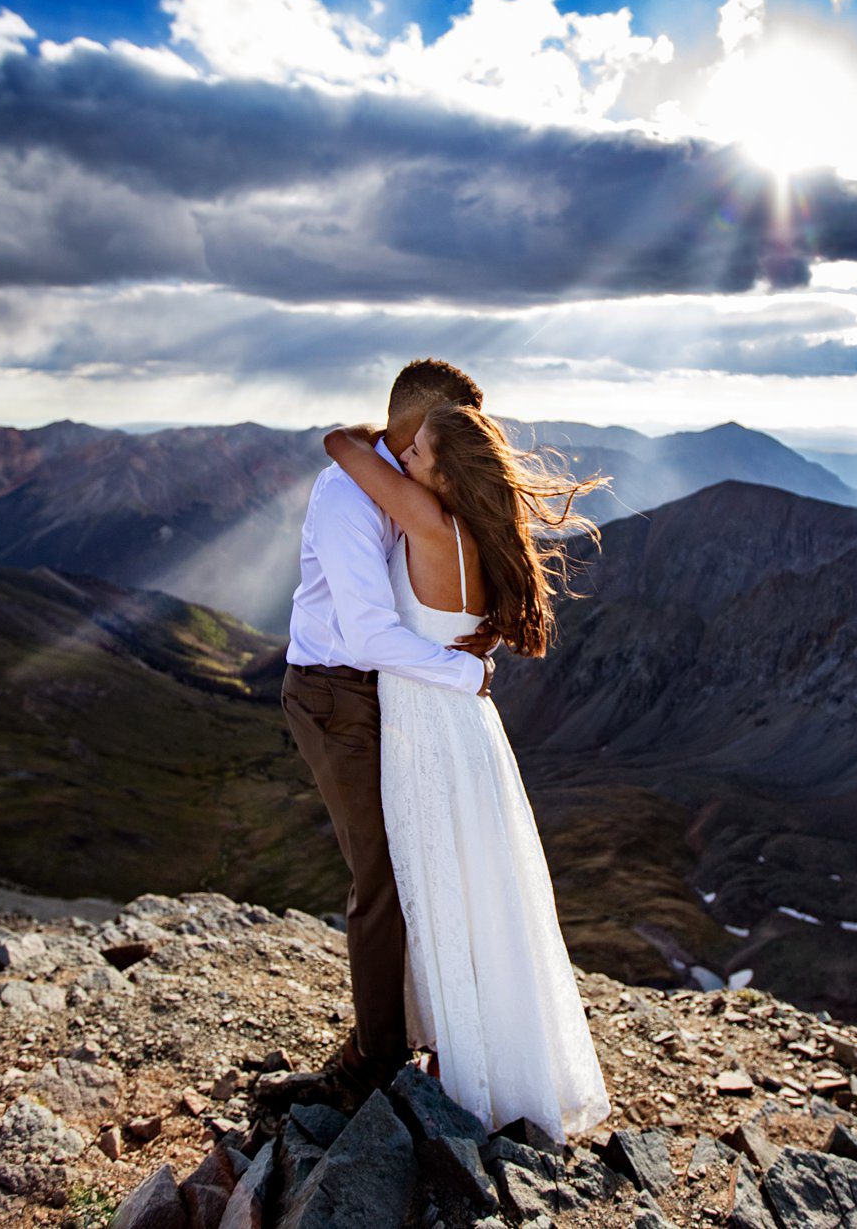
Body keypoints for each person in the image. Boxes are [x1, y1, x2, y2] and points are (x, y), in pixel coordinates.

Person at [318, 397, 614, 1145]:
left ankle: (468, 1076)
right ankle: (477, 1055)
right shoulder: (473, 533)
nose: (403, 456)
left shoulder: (426, 519)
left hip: (428, 735)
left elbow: (338, 443)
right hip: (463, 731)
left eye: (417, 451)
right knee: (476, 893)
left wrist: (380, 432)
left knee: (441, 891)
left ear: (446, 476)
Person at [279, 360, 503, 1111]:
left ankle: (419, 1032)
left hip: (388, 694)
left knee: (417, 863)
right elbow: (369, 635)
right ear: (415, 436)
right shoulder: (348, 497)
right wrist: (464, 672)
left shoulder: (406, 482)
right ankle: (374, 1062)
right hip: (335, 693)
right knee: (381, 877)